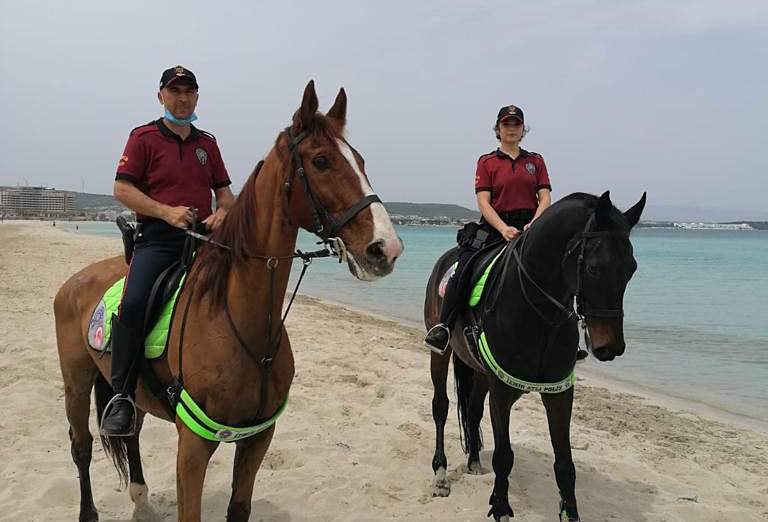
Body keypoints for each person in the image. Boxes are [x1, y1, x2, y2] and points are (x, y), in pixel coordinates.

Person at [101, 65, 235, 436]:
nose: (182, 98)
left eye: (189, 91)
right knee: (133, 303)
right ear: (160, 95)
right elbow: (122, 190)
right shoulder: (143, 138)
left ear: (196, 97)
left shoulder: (207, 143)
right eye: (174, 91)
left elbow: (224, 194)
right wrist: (166, 211)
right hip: (158, 240)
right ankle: (122, 397)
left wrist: (223, 213)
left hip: (205, 240)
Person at [424, 104, 552, 353]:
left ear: (523, 129)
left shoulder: (535, 161)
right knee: (464, 268)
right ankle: (445, 328)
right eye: (506, 124)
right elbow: (483, 202)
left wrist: (534, 224)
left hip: (531, 225)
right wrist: (504, 229)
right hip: (496, 225)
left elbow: (545, 198)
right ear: (498, 129)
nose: (511, 129)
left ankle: (566, 336)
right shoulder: (487, 162)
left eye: (516, 124)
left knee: (561, 268)